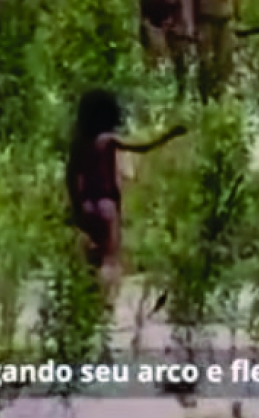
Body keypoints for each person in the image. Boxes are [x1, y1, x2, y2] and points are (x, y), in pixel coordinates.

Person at [67, 89, 186, 294]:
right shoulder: (109, 140)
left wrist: (76, 208)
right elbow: (143, 147)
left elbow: (70, 177)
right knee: (110, 259)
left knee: (91, 260)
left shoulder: (79, 144)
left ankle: (88, 300)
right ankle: (107, 301)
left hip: (86, 204)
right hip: (106, 204)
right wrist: (169, 134)